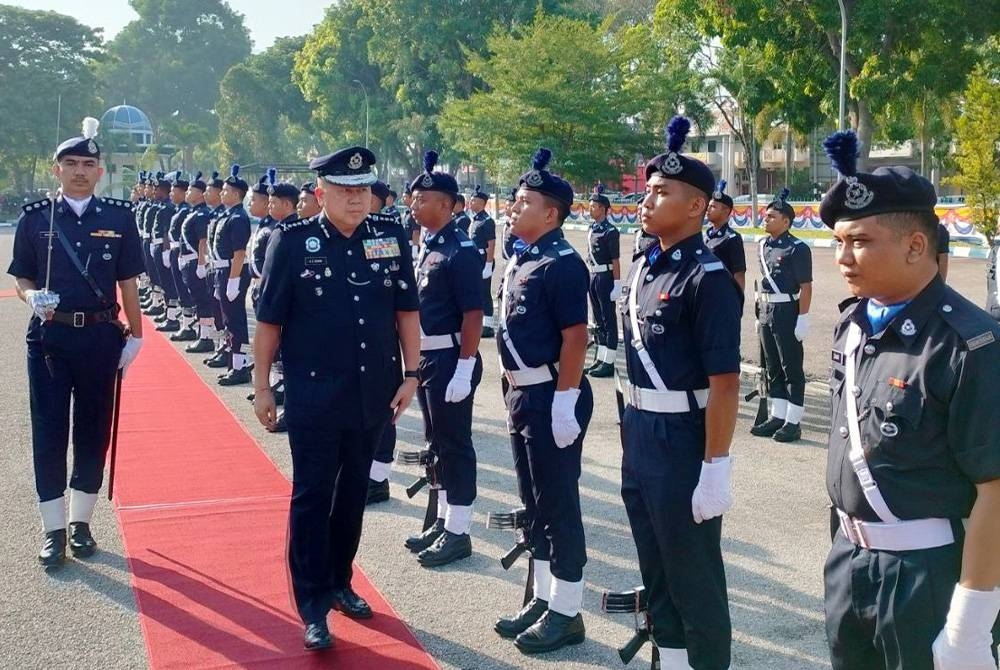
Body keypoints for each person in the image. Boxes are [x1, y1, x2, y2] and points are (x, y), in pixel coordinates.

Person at [819, 129, 1000, 670]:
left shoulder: (969, 345)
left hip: (928, 575)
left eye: (861, 242)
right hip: (849, 562)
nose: (844, 258)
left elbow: (995, 488)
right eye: (838, 242)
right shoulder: (853, 326)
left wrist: (970, 620)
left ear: (916, 245)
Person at [252, 146, 420, 651]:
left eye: (363, 189)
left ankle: (341, 581)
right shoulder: (293, 241)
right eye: (345, 190)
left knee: (352, 497)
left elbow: (406, 312)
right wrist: (262, 384)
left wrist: (412, 374)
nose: (355, 198)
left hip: (373, 393)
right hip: (315, 395)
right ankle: (311, 604)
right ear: (321, 192)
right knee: (312, 497)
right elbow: (268, 322)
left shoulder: (390, 237)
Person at [618, 116, 742, 669]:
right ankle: (670, 661)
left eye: (662, 192)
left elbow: (725, 383)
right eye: (647, 191)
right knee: (656, 565)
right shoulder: (647, 266)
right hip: (640, 431)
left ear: (696, 206)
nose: (648, 201)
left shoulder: (707, 276)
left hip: (684, 439)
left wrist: (716, 464)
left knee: (695, 576)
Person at [7, 118, 145, 568]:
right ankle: (52, 529)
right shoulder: (35, 219)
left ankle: (80, 524)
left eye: (88, 164)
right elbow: (22, 275)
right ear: (57, 169)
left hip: (101, 337)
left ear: (100, 172)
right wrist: (31, 296)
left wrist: (137, 336)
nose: (80, 171)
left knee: (92, 429)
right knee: (48, 432)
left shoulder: (119, 218)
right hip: (49, 338)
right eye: (71, 164)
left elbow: (128, 283)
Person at [492, 148, 593, 654]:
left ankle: (568, 612)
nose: (513, 208)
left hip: (553, 392)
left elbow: (577, 337)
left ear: (550, 213)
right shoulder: (523, 257)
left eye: (523, 202)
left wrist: (564, 399)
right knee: (534, 505)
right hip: (523, 392)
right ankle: (544, 596)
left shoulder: (563, 263)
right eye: (514, 201)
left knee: (558, 505)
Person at [402, 151, 484, 568]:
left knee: (455, 445)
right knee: (435, 443)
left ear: (448, 205)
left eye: (423, 199)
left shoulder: (461, 249)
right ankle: (441, 519)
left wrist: (466, 366)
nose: (414, 205)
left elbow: (474, 313)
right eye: (413, 199)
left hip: (453, 356)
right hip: (431, 358)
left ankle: (459, 531)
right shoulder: (429, 245)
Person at [748, 187, 812, 443]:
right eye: (766, 216)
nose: (766, 219)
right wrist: (758, 314)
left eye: (771, 217)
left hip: (787, 311)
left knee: (790, 367)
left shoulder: (798, 248)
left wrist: (803, 318)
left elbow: (806, 287)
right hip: (766, 310)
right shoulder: (762, 245)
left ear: (786, 222)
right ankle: (778, 416)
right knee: (772, 366)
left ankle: (793, 422)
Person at [210, 165, 252, 385]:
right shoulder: (228, 215)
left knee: (236, 322)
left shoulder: (238, 218)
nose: (222, 193)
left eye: (225, 190)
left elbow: (239, 253)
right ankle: (234, 363)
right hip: (223, 271)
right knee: (229, 321)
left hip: (231, 271)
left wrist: (234, 280)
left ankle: (241, 366)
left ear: (236, 194)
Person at [584, 185, 621, 378]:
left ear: (604, 209)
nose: (590, 209)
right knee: (597, 319)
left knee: (608, 319)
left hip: (606, 277)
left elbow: (615, 260)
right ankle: (600, 357)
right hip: (593, 276)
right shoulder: (593, 228)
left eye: (594, 206)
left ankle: (609, 361)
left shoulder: (610, 232)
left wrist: (617, 283)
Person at [177, 171, 216, 353]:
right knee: (197, 299)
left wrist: (201, 264)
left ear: (200, 194)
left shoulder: (201, 214)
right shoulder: (193, 212)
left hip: (195, 262)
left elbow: (203, 241)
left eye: (191, 191)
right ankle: (202, 333)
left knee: (202, 301)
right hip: (188, 261)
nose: (187, 194)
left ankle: (206, 337)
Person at [704, 179, 746, 293]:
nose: (708, 210)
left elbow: (739, 274)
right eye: (708, 206)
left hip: (722, 295)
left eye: (713, 207)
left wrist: (737, 302)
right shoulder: (706, 236)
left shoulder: (731, 238)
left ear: (726, 211)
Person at [468, 185, 497, 338]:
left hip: (483, 260)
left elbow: (491, 244)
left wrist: (488, 264)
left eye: (473, 201)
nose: (470, 203)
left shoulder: (487, 221)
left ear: (481, 202)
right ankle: (481, 322)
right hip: (475, 260)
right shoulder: (475, 219)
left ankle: (489, 325)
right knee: (478, 291)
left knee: (485, 292)